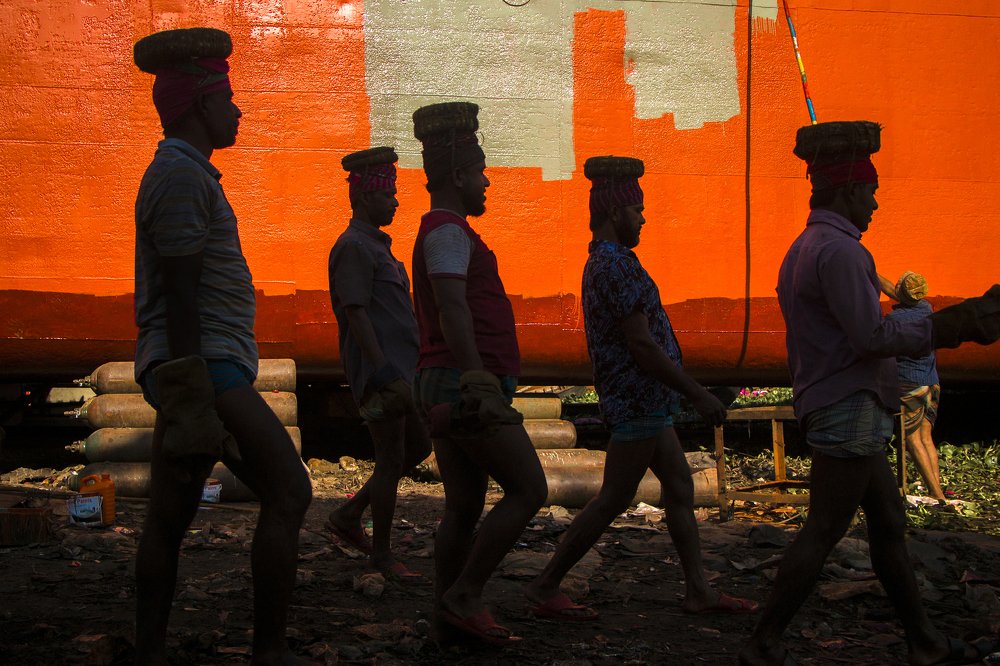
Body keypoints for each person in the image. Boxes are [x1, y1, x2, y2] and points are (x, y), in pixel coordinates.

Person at [739, 121, 1000, 666]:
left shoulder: (806, 248)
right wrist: (948, 324)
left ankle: (924, 641)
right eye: (872, 190)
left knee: (887, 522)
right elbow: (870, 338)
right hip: (849, 405)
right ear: (851, 190)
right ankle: (763, 643)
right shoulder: (842, 253)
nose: (876, 202)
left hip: (840, 401)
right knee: (824, 529)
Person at [131, 28, 312, 665]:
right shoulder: (180, 178)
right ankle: (269, 653)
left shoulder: (188, 172)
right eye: (229, 98)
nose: (238, 110)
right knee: (290, 493)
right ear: (201, 103)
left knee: (169, 517)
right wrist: (189, 398)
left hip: (200, 364)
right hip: (203, 365)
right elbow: (179, 293)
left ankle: (148, 651)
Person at [524, 155, 757, 621]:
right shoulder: (617, 267)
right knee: (613, 498)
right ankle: (545, 585)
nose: (643, 217)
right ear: (615, 213)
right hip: (638, 398)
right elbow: (643, 347)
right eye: (637, 210)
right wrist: (696, 392)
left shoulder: (604, 263)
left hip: (643, 399)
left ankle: (699, 590)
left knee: (679, 486)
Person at [409, 101, 548, 645]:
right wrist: (476, 378)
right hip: (461, 384)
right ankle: (465, 595)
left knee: (463, 507)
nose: (488, 182)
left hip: (444, 381)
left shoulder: (445, 231)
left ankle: (447, 617)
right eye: (483, 171)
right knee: (528, 490)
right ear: (461, 174)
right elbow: (452, 307)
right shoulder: (447, 232)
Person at [325, 146, 432, 578]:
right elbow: (355, 311)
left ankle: (349, 516)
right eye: (387, 194)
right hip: (381, 374)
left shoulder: (377, 247)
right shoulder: (353, 247)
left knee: (418, 447)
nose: (395, 201)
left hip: (398, 372)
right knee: (390, 459)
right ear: (365, 198)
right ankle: (382, 556)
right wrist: (381, 369)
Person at [878, 271, 946, 501]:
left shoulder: (894, 321)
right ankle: (936, 490)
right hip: (931, 382)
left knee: (911, 440)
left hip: (909, 384)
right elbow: (897, 292)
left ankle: (937, 496)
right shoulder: (927, 309)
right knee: (927, 437)